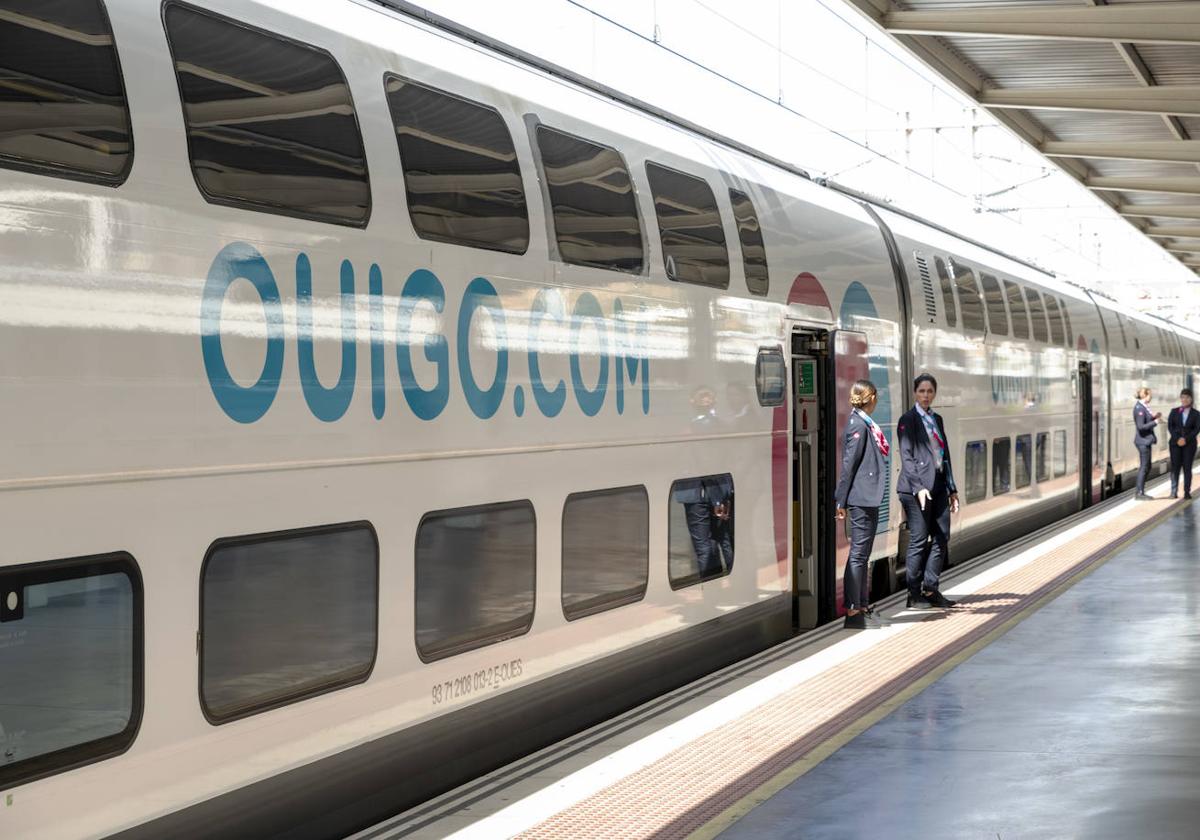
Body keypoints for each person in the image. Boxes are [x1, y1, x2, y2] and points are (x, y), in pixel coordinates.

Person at [897, 373, 959, 610]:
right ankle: (913, 594)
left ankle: (931, 588)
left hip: (939, 486)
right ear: (915, 393)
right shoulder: (908, 420)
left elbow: (945, 455)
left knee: (942, 536)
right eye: (921, 391)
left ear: (934, 393)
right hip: (915, 490)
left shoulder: (937, 419)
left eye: (929, 391)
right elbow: (907, 456)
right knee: (919, 540)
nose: (925, 395)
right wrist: (918, 487)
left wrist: (952, 488)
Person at [833, 380, 888, 630]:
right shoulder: (858, 425)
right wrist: (841, 500)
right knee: (858, 555)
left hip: (867, 498)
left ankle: (863, 606)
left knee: (863, 555)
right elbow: (848, 465)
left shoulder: (864, 423)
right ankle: (853, 610)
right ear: (872, 397)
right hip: (860, 499)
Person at [673, 474, 734, 578]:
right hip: (718, 488)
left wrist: (717, 501)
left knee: (704, 548)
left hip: (696, 492)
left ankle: (711, 590)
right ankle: (734, 582)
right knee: (722, 540)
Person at [1167, 388, 1199, 499]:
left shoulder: (1196, 414)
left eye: (1187, 397)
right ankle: (1173, 491)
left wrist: (1186, 439)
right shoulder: (1174, 411)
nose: (1184, 399)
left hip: (1189, 445)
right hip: (1175, 444)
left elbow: (1196, 429)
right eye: (1183, 397)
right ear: (1180, 398)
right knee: (1175, 467)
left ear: (1191, 399)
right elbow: (1170, 426)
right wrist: (1178, 439)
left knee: (1187, 468)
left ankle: (1186, 491)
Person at [1133, 387, 1161, 500]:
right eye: (1149, 395)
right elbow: (1140, 427)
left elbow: (1145, 420)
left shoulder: (1144, 407)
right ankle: (1139, 493)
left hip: (1145, 441)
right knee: (1144, 467)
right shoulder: (1139, 408)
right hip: (1142, 441)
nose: (1151, 397)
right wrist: (1155, 422)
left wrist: (1154, 417)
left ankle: (1141, 491)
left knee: (1147, 466)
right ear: (1145, 395)